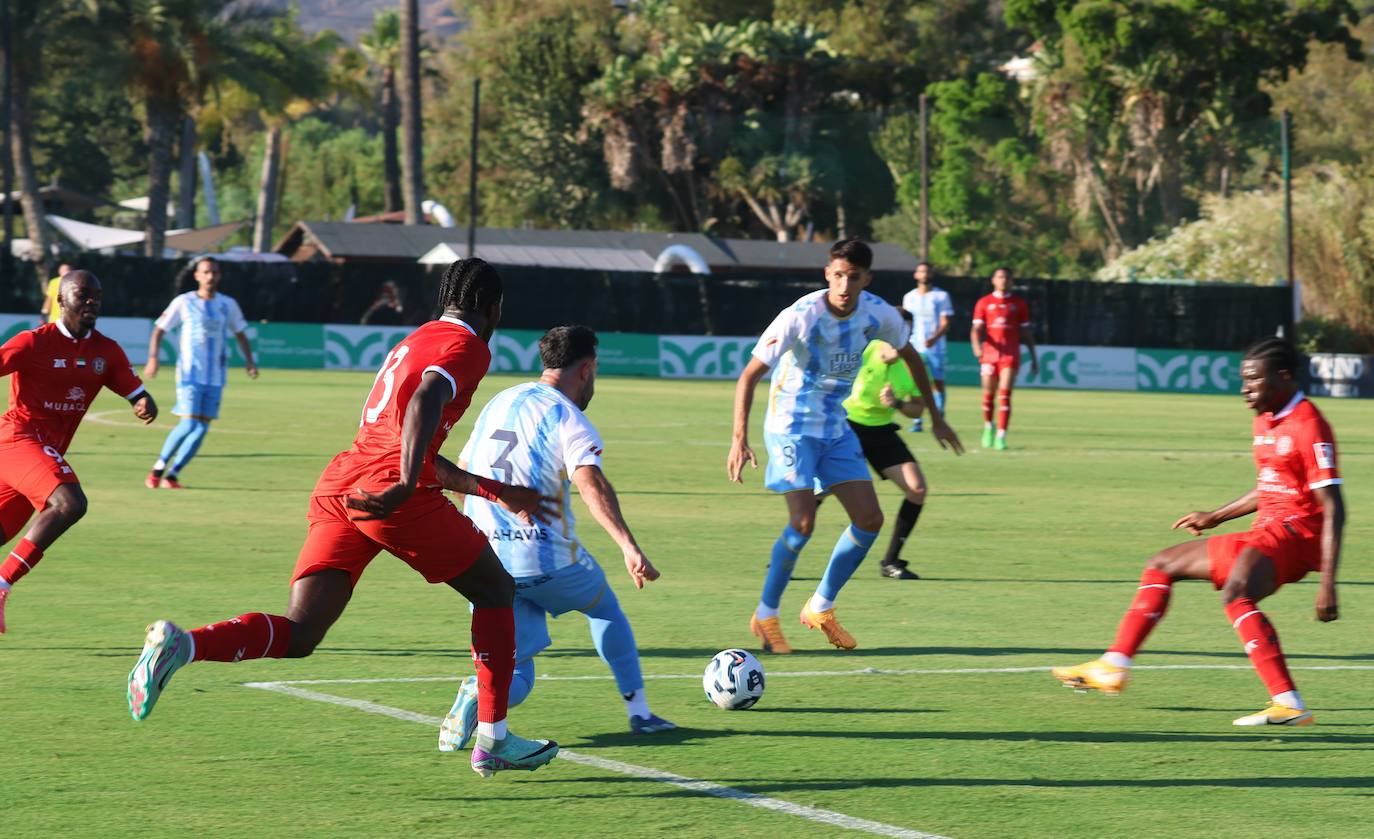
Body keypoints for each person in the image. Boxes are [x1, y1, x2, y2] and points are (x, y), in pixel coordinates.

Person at [126, 258, 563, 778]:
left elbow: (410, 440)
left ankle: (183, 645)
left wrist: (492, 490)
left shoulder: (417, 338)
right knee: (495, 591)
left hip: (342, 485)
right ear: (494, 307)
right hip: (392, 494)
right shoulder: (469, 346)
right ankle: (493, 738)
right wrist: (403, 486)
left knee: (301, 632)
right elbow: (424, 405)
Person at [1053, 338, 1345, 727]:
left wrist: (1328, 582)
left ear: (1284, 377)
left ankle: (1288, 703)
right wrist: (1217, 516)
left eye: (1254, 380)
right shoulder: (1265, 417)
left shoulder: (1309, 425)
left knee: (1237, 592)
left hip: (1298, 535)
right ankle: (1113, 665)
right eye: (1243, 380)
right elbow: (1272, 484)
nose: (1245, 389)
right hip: (1266, 530)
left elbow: (1333, 506)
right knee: (1162, 564)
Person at [438, 325, 674, 751]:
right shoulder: (570, 417)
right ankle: (640, 713)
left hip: (486, 560)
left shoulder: (501, 400)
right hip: (545, 560)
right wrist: (628, 546)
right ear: (586, 369)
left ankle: (475, 696)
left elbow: (461, 471)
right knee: (604, 609)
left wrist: (481, 527)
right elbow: (591, 483)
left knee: (519, 670)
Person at [728, 238, 963, 655]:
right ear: (827, 273)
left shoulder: (878, 313)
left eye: (853, 278)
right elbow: (749, 376)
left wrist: (937, 416)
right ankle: (766, 614)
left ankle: (821, 606)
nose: (843, 285)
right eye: (837, 275)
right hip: (791, 427)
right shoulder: (799, 316)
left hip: (836, 428)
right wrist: (739, 439)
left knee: (870, 518)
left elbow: (911, 357)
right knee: (803, 524)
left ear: (866, 279)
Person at [0, 270, 157, 632]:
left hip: (41, 455)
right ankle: (3, 584)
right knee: (70, 503)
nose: (92, 301)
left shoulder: (107, 351)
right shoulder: (33, 342)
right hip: (18, 440)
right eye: (83, 294)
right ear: (60, 300)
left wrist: (144, 403)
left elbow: (135, 391)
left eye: (97, 295)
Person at [143, 256, 258, 489]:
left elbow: (241, 333)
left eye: (214, 272)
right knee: (189, 425)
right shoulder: (184, 302)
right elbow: (159, 329)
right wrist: (153, 358)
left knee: (202, 428)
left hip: (216, 376)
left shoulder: (228, 304)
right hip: (189, 374)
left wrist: (249, 361)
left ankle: (172, 475)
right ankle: (157, 470)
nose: (210, 276)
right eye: (205, 272)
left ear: (219, 276)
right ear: (197, 276)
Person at [837, 308, 930, 580]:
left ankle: (891, 562)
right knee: (821, 492)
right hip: (848, 427)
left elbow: (917, 410)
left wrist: (898, 403)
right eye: (900, 330)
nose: (904, 336)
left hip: (881, 431)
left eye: (908, 331)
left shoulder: (911, 363)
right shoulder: (866, 348)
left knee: (917, 488)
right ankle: (788, 557)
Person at [970, 267, 1037, 450]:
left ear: (1012, 281)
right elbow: (976, 329)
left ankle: (1001, 435)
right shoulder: (984, 302)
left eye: (1007, 277)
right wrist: (976, 346)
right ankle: (988, 427)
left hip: (1010, 354)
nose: (1004, 280)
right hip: (989, 354)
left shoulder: (1018, 303)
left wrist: (1033, 357)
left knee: (1005, 394)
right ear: (993, 280)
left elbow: (1025, 332)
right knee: (988, 396)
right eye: (1000, 277)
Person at [901, 262, 953, 433]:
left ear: (932, 274)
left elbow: (945, 323)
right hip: (914, 346)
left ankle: (939, 415)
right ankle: (917, 420)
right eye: (921, 271)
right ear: (916, 275)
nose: (924, 274)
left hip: (935, 348)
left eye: (927, 271)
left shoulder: (941, 296)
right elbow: (904, 320)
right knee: (914, 381)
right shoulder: (909, 297)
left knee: (937, 383)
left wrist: (933, 338)